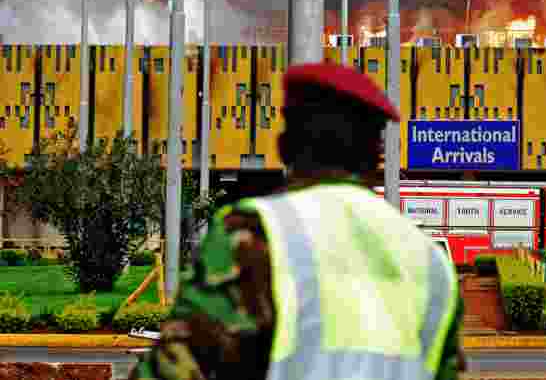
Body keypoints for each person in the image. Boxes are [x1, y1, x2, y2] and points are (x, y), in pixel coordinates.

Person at [132, 62, 465, 380]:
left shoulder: (256, 232)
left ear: (284, 146)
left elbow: (178, 366)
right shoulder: (431, 261)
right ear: (378, 154)